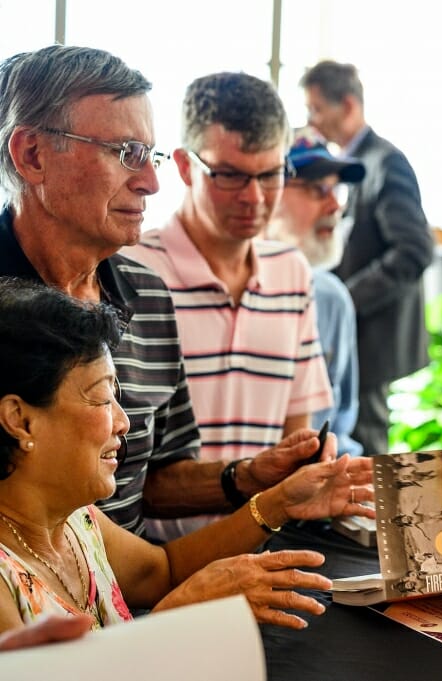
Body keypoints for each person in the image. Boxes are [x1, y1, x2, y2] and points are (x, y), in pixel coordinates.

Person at [0, 45, 342, 539]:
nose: (151, 183)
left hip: (134, 599)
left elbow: (153, 480)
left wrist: (245, 477)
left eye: (150, 154)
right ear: (32, 155)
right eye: (126, 154)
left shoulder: (149, 296)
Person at [0, 278, 374, 635]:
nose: (123, 422)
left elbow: (162, 571)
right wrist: (177, 618)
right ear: (20, 419)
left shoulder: (79, 520)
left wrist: (279, 502)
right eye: (100, 398)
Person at [122, 73, 338, 541]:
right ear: (184, 166)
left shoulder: (291, 272)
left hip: (261, 555)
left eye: (270, 174)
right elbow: (121, 472)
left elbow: (295, 438)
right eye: (230, 175)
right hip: (151, 564)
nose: (254, 197)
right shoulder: (131, 271)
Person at [300, 60, 435, 456]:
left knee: (367, 447)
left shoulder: (386, 162)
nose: (312, 120)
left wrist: (343, 298)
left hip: (371, 336)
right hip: (355, 332)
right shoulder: (354, 162)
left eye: (316, 109)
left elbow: (414, 250)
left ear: (347, 104)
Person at [266, 126, 366, 457]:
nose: (333, 205)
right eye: (315, 189)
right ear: (268, 192)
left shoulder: (331, 298)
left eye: (336, 191)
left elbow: (339, 428)